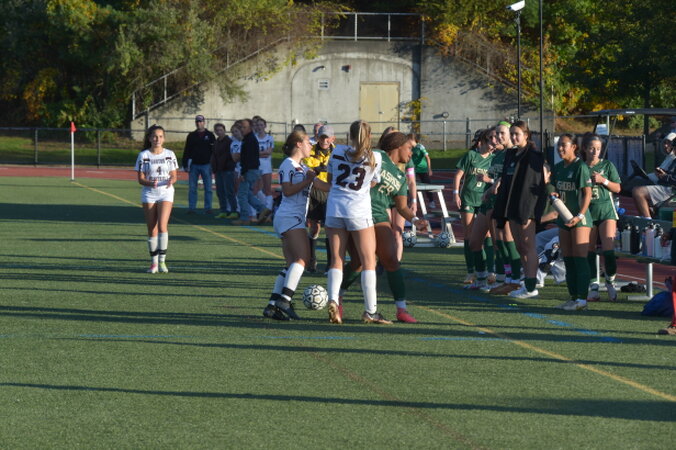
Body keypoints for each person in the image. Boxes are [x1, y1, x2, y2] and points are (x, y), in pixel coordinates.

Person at [338, 132, 429, 322]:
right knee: (358, 262)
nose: (411, 153)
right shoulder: (377, 155)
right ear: (397, 146)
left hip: (379, 215)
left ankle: (401, 309)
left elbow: (402, 207)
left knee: (392, 260)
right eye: (409, 148)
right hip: (359, 212)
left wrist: (415, 220)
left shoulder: (400, 176)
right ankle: (337, 298)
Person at [263, 131, 329, 321]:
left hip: (292, 218)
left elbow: (322, 186)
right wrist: (308, 180)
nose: (311, 146)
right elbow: (287, 190)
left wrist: (343, 185)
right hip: (289, 217)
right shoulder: (288, 164)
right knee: (303, 259)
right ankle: (285, 300)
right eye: (308, 142)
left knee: (291, 264)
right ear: (299, 144)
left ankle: (272, 306)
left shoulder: (302, 167)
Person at [325, 120, 385, 325]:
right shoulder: (375, 157)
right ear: (369, 136)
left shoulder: (337, 151)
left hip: (334, 208)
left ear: (349, 135)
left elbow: (330, 179)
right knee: (369, 261)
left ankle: (333, 299)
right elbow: (373, 183)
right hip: (358, 211)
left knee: (336, 259)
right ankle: (370, 311)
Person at [493, 120, 546, 299]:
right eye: (512, 134)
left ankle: (531, 286)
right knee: (520, 247)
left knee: (528, 246)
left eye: (517, 134)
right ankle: (525, 284)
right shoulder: (511, 154)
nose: (514, 137)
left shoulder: (533, 156)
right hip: (511, 206)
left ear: (526, 135)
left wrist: (528, 210)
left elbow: (534, 185)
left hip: (525, 208)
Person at [551, 134, 593, 311]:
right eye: (558, 145)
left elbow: (587, 193)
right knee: (568, 259)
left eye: (564, 145)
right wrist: (554, 194)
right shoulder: (558, 167)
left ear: (574, 146)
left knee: (579, 258)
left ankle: (582, 300)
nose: (560, 148)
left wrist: (580, 215)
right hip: (564, 218)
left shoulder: (580, 166)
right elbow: (554, 188)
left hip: (579, 219)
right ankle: (573, 297)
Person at [582, 134, 622, 302]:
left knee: (609, 249)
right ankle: (593, 286)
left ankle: (610, 282)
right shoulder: (581, 166)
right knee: (589, 250)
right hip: (588, 212)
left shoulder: (607, 165)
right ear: (585, 148)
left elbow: (618, 188)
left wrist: (603, 180)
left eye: (598, 149)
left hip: (606, 211)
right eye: (592, 148)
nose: (595, 152)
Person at [453, 128, 494, 285]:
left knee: (488, 235)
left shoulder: (494, 158)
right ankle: (471, 271)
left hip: (485, 200)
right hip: (469, 199)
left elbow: (496, 179)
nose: (493, 143)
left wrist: (489, 180)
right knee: (469, 234)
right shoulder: (471, 155)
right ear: (482, 142)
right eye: (490, 140)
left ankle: (490, 271)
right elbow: (458, 175)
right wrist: (456, 194)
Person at [136, 125, 178, 273]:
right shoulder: (144, 155)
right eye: (154, 136)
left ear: (164, 139)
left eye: (160, 136)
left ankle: (162, 261)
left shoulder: (169, 154)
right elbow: (140, 179)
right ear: (149, 138)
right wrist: (150, 183)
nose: (157, 139)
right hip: (149, 193)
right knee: (151, 228)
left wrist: (171, 180)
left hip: (166, 192)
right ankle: (153, 263)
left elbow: (174, 175)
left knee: (162, 226)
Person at [303, 125, 335, 273]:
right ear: (317, 138)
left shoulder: (337, 152)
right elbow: (307, 164)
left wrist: (321, 168)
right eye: (322, 137)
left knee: (329, 228)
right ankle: (312, 260)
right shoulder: (311, 150)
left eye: (327, 137)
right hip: (315, 191)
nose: (324, 140)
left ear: (332, 138)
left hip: (330, 192)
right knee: (315, 228)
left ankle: (330, 263)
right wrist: (319, 167)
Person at [233, 119, 271, 225]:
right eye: (241, 127)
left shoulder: (249, 140)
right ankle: (262, 209)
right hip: (252, 169)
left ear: (250, 128)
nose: (242, 129)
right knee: (247, 194)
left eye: (244, 127)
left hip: (249, 170)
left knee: (242, 194)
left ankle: (245, 217)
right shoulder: (248, 139)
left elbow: (247, 158)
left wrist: (243, 172)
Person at [632, 135, 676, 218]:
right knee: (640, 186)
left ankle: (647, 220)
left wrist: (665, 176)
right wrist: (663, 173)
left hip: (671, 190)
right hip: (667, 186)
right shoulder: (674, 160)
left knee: (638, 191)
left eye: (674, 148)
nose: (673, 150)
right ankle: (648, 216)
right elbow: (671, 174)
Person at [182, 114, 215, 214]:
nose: (199, 123)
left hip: (206, 164)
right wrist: (185, 164)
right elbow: (187, 150)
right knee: (192, 188)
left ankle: (208, 207)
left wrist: (214, 164)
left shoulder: (210, 135)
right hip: (194, 165)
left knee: (208, 188)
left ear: (204, 122)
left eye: (200, 121)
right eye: (197, 122)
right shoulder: (191, 135)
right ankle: (192, 208)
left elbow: (214, 151)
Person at [211, 123, 238, 219]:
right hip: (218, 170)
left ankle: (234, 210)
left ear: (224, 130)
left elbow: (231, 156)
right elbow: (214, 155)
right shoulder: (216, 142)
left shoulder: (229, 141)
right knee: (220, 191)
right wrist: (214, 166)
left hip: (227, 170)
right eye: (217, 130)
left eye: (220, 130)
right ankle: (223, 210)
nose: (219, 132)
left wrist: (228, 166)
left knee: (229, 191)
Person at [253, 117, 275, 211]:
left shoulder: (269, 138)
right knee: (255, 189)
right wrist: (262, 154)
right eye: (258, 125)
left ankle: (268, 210)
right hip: (256, 166)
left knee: (267, 189)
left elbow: (269, 152)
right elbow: (252, 153)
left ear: (265, 126)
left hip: (266, 166)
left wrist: (257, 154)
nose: (259, 127)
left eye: (261, 125)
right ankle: (259, 209)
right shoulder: (254, 137)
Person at [410, 133, 435, 207]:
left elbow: (427, 157)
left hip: (422, 169)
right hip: (413, 170)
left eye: (410, 140)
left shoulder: (420, 147)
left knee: (427, 185)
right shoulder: (410, 147)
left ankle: (431, 201)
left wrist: (429, 169)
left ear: (414, 140)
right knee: (411, 185)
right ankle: (412, 201)